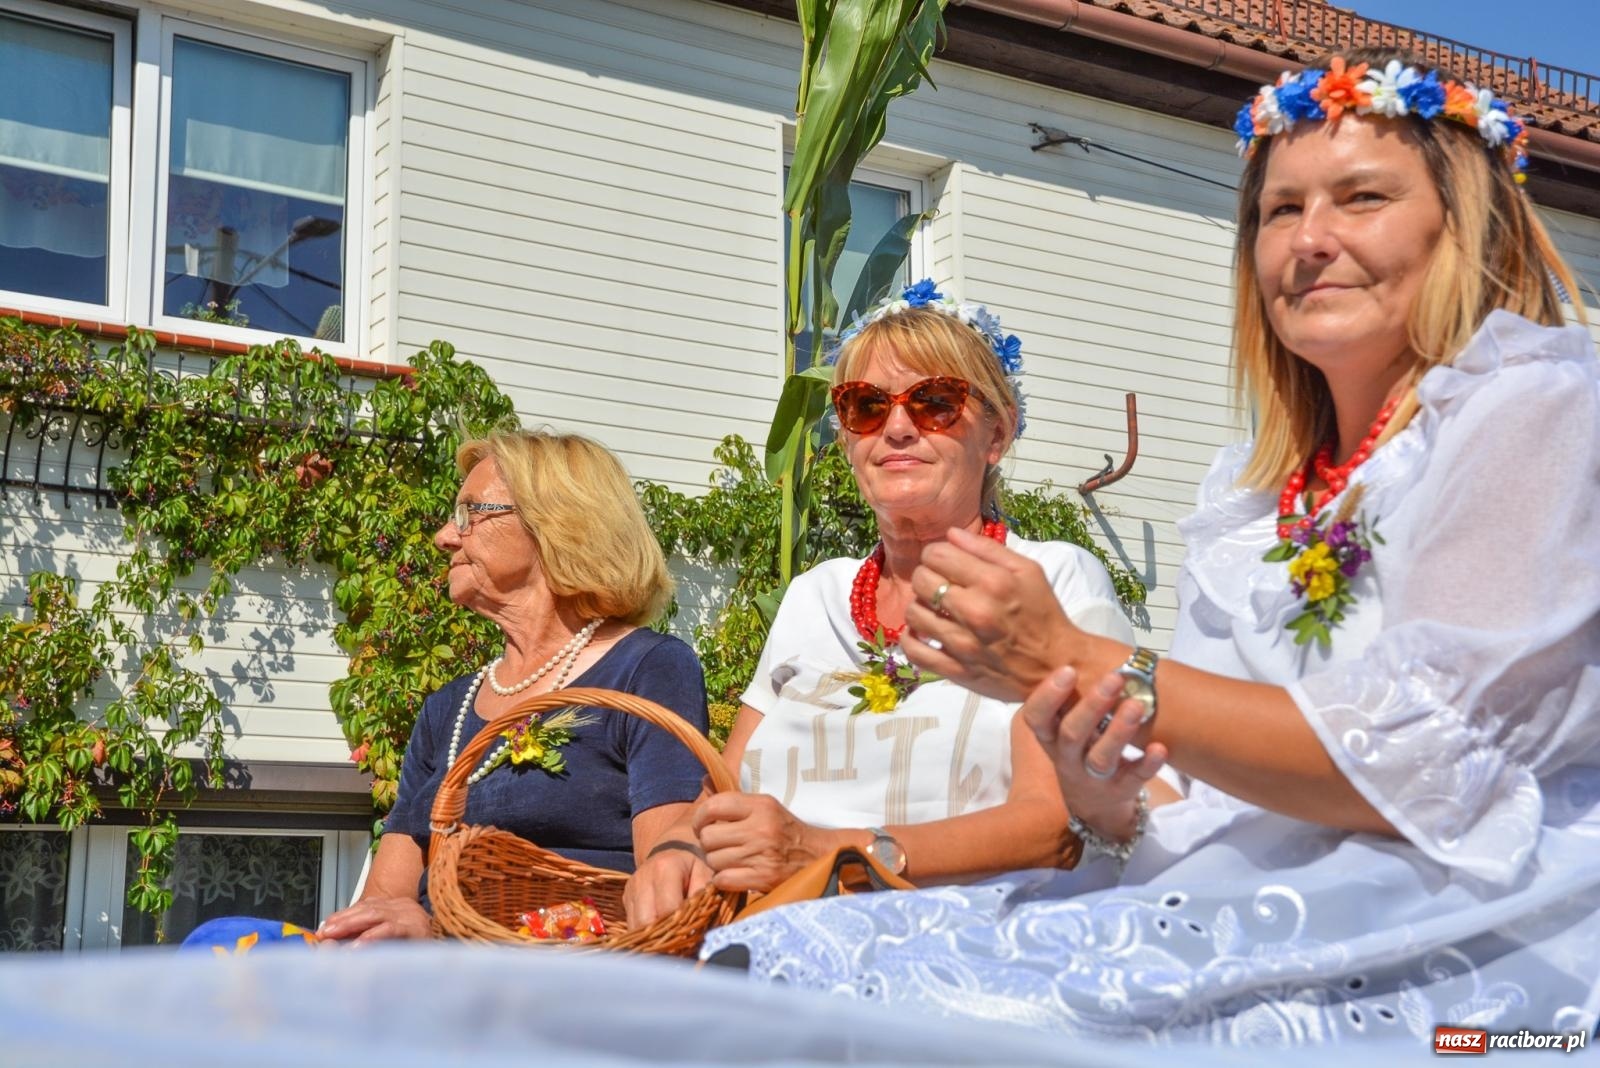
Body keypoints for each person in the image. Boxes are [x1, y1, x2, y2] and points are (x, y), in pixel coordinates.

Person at [700, 50, 1600, 1042]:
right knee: (772, 970)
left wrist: (1079, 661)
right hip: (1246, 899)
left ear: (1463, 220)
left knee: (866, 1004)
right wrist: (1107, 792)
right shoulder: (1254, 493)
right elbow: (1188, 798)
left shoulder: (1529, 406)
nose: (1311, 239)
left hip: (1448, 921)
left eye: (1362, 197)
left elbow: (1424, 759)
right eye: (1280, 210)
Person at [626, 281, 1143, 926]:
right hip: (776, 933)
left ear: (998, 434)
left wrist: (830, 852)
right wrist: (677, 849)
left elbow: (1053, 828)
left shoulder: (1050, 580)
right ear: (846, 438)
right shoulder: (814, 595)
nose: (897, 427)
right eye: (866, 406)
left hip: (969, 941)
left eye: (935, 403)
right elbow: (723, 789)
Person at [189, 429, 709, 947]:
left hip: (559, 973)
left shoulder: (647, 669)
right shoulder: (448, 709)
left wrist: (442, 936)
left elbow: (662, 897)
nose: (444, 537)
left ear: (556, 524)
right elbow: (383, 902)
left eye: (469, 513)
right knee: (219, 942)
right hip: (427, 974)